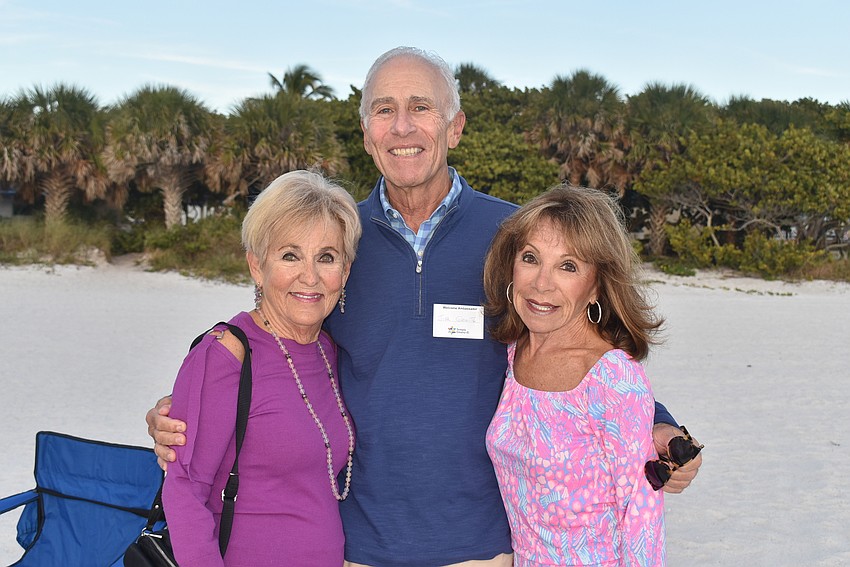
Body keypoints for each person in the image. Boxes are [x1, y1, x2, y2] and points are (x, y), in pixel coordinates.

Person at [148, 47, 702, 566]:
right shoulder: (338, 242)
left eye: (421, 107)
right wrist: (190, 411)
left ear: (455, 127)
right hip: (358, 546)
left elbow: (578, 345)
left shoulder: (515, 237)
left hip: (482, 546)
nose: (402, 127)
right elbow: (279, 342)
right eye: (384, 110)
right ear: (367, 134)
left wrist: (657, 424)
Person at [160, 170, 361, 566]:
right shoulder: (227, 353)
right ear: (256, 265)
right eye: (290, 256)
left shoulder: (328, 350)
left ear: (346, 271)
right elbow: (184, 488)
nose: (310, 276)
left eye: (326, 257)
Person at [483, 184, 674, 566]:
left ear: (597, 286)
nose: (541, 283)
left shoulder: (611, 378)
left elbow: (642, 518)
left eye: (568, 266)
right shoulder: (512, 353)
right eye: (530, 258)